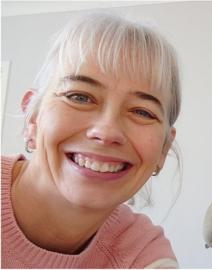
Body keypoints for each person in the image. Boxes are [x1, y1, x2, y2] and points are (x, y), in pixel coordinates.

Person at [1, 12, 181, 268]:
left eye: (142, 112)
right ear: (33, 117)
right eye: (79, 97)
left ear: (164, 149)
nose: (107, 132)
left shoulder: (144, 253)